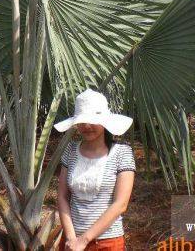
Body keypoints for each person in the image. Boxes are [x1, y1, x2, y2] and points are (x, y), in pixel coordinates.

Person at [54, 88, 136, 251]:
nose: (87, 126)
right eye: (82, 121)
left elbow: (121, 204)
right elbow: (62, 196)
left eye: (92, 120)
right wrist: (71, 238)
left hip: (107, 242)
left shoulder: (122, 153)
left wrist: (84, 240)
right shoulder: (70, 150)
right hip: (72, 241)